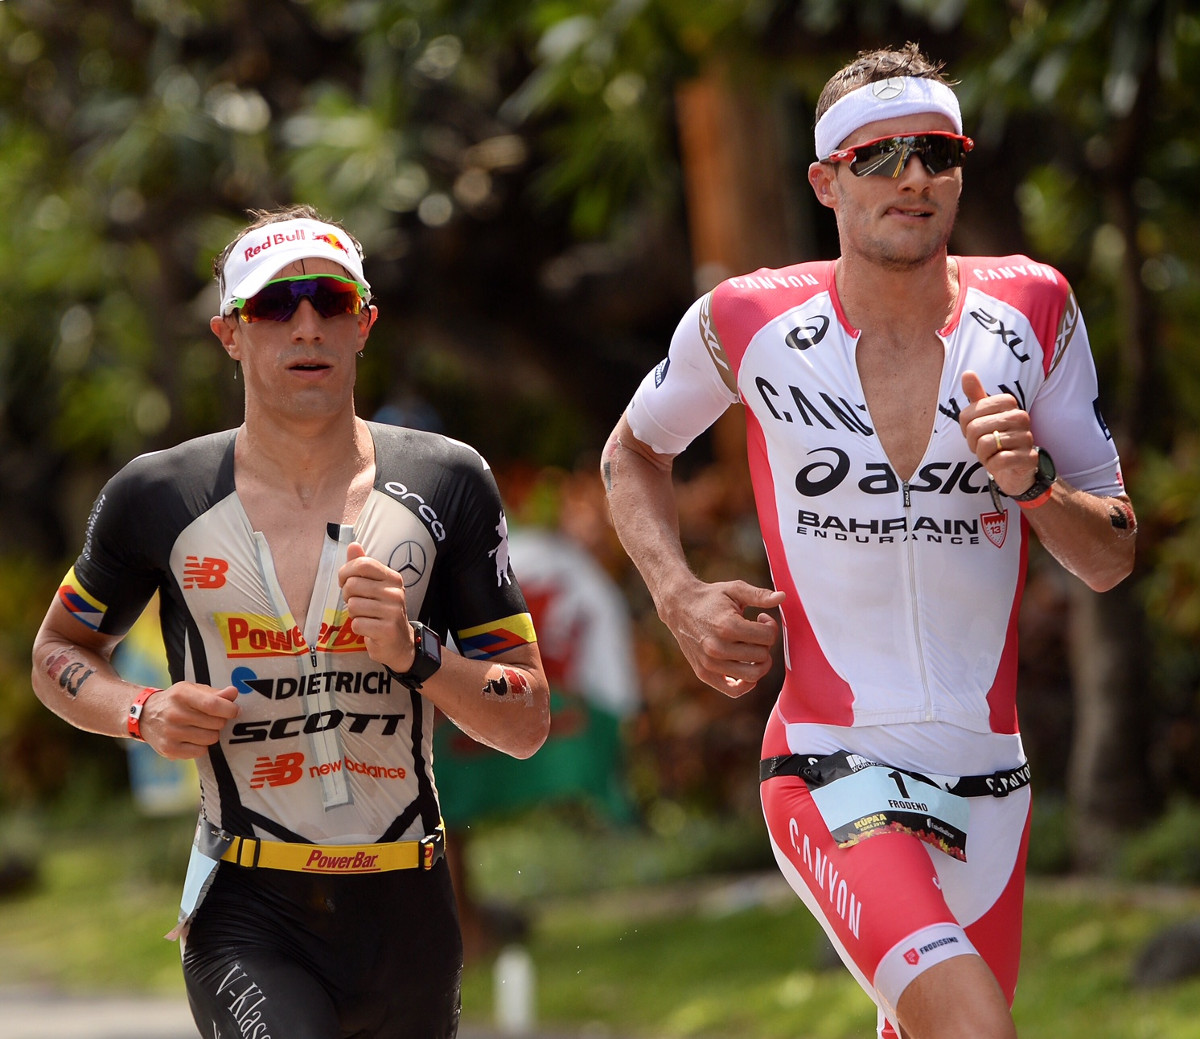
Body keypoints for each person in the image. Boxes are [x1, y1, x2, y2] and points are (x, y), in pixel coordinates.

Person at [601, 43, 1136, 1039]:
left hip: (994, 782)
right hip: (831, 762)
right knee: (972, 1029)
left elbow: (1110, 553)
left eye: (935, 151)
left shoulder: (1033, 309)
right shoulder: (748, 319)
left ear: (961, 168)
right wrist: (677, 595)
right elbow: (632, 452)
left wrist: (1032, 485)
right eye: (878, 156)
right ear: (826, 182)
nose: (913, 177)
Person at [30, 203, 550, 1039]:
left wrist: (416, 655)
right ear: (230, 332)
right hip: (250, 907)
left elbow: (525, 718)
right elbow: (57, 651)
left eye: (330, 302)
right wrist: (142, 711)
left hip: (407, 908)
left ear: (364, 324)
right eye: (274, 305)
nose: (305, 325)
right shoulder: (156, 494)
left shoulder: (448, 480)